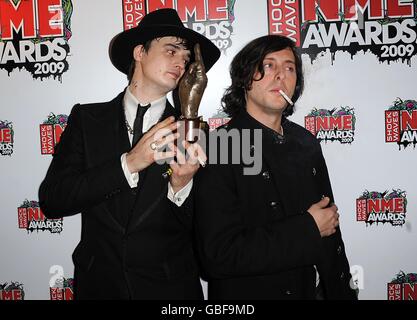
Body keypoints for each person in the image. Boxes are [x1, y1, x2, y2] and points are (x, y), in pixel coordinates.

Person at [39, 8, 220, 300]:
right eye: (171, 51)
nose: (180, 63)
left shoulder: (194, 132)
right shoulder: (87, 120)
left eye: (186, 58)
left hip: (170, 292)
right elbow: (54, 200)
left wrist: (181, 186)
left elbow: (206, 231)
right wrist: (129, 164)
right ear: (140, 52)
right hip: (100, 287)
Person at [194, 35, 358, 299]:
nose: (281, 74)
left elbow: (330, 232)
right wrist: (307, 229)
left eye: (289, 67)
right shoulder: (222, 146)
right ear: (246, 79)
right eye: (268, 65)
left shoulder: (306, 142)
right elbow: (218, 255)